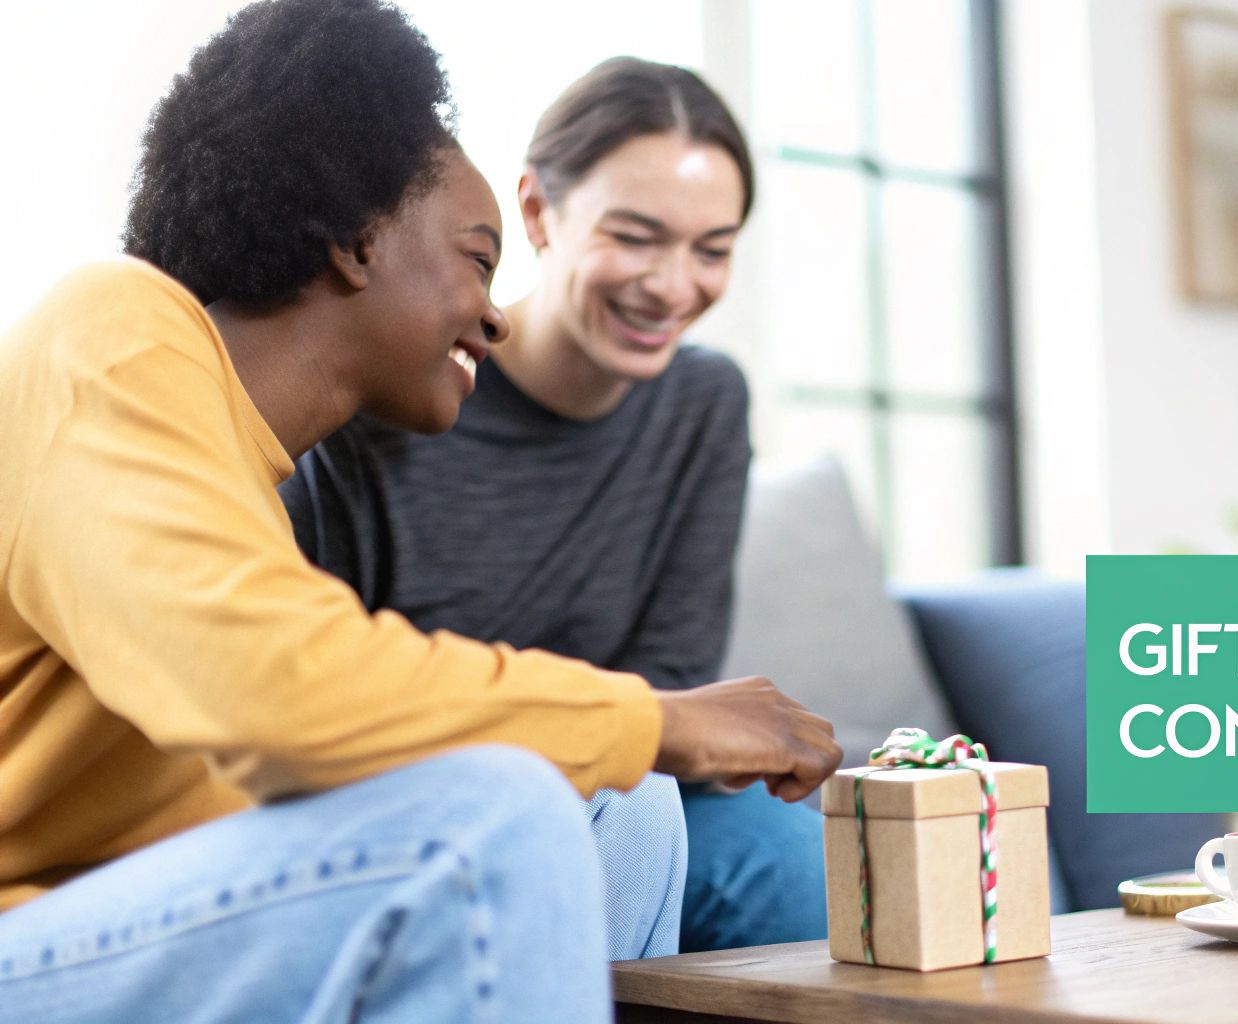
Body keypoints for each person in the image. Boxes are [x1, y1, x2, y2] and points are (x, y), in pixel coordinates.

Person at [0, 2, 838, 1020]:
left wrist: (638, 742)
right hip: (34, 935)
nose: (492, 311)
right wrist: (653, 718)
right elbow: (281, 693)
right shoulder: (112, 326)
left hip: (176, 914)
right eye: (477, 260)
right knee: (496, 815)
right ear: (358, 239)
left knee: (632, 806)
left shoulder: (247, 474)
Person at [282, 57, 829, 953]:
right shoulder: (396, 402)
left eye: (712, 248)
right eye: (636, 236)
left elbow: (673, 671)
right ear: (536, 212)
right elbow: (326, 701)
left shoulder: (704, 405)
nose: (672, 284)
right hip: (427, 795)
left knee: (799, 859)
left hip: (631, 780)